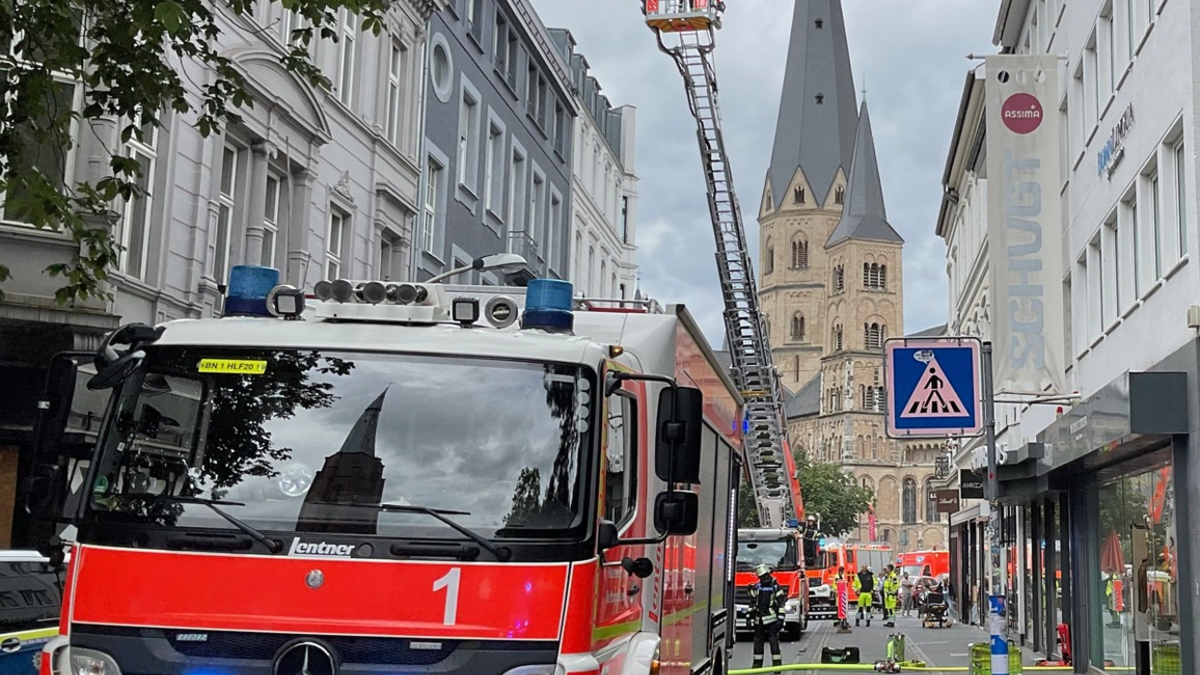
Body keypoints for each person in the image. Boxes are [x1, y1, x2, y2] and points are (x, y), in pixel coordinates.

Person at [748, 563, 786, 670]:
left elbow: (781, 603)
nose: (764, 578)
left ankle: (777, 666)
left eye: (765, 576)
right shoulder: (757, 587)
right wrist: (749, 617)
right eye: (761, 577)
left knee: (773, 642)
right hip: (759, 620)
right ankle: (757, 665)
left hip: (771, 620)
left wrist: (780, 619)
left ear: (768, 574)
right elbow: (752, 603)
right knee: (758, 643)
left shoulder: (775, 587)